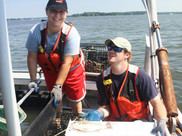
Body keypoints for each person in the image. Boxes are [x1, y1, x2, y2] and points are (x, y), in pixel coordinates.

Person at [80, 37, 170, 135]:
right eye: (110, 48)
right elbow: (105, 107)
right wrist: (99, 113)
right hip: (114, 125)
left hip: (139, 124)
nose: (111, 51)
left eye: (117, 49)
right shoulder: (101, 79)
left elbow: (157, 104)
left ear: (127, 54)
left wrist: (161, 121)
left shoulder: (140, 76)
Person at [26, 0, 86, 114]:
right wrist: (33, 79)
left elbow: (67, 63)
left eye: (61, 12)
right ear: (47, 11)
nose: (57, 15)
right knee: (55, 97)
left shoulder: (72, 34)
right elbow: (32, 57)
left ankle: (78, 117)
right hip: (50, 70)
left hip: (72, 69)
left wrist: (58, 86)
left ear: (66, 13)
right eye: (53, 11)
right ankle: (57, 121)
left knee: (75, 98)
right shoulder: (35, 31)